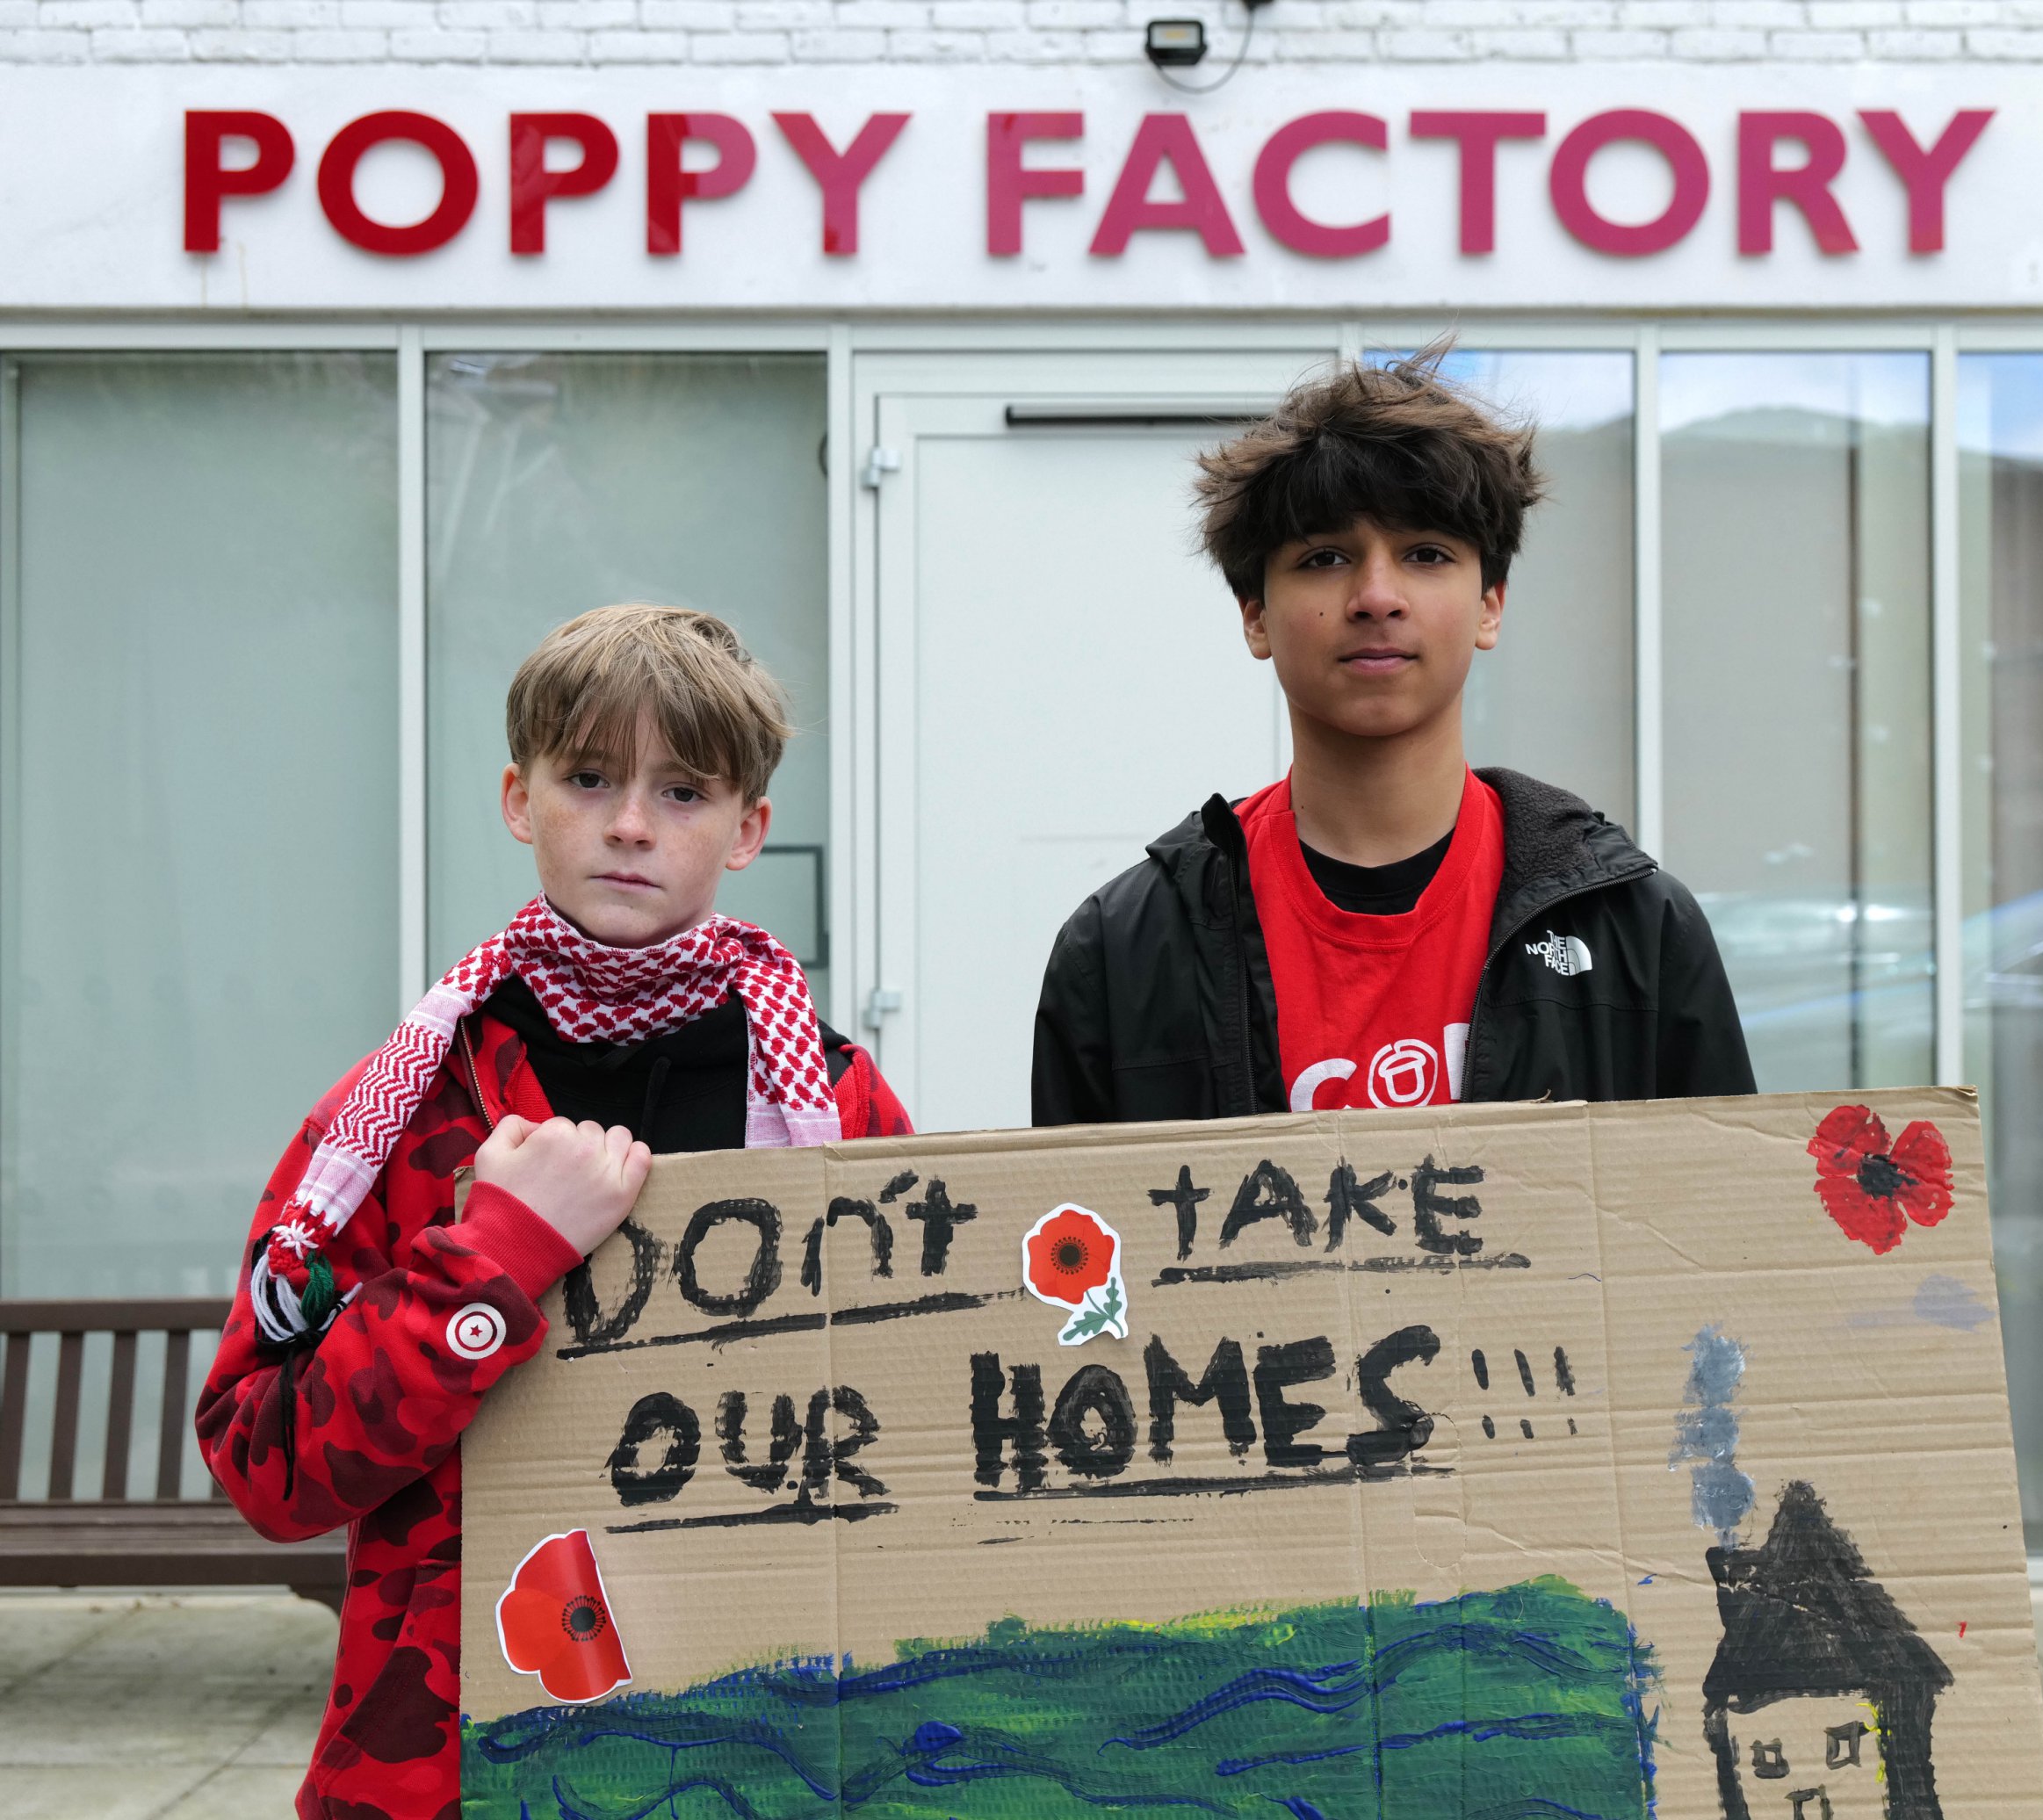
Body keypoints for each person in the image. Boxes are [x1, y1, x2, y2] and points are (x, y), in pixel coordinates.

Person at [197, 604, 909, 1820]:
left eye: (683, 791)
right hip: (444, 1761)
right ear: (519, 799)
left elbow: (916, 1425)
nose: (630, 824)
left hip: (756, 1748)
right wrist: (493, 1260)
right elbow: (268, 1466)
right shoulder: (395, 1114)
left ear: (749, 828)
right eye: (588, 778)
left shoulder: (832, 1107)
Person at [1031, 353, 1754, 1126]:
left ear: (1489, 606)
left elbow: (1718, 1199)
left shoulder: (1638, 930)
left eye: (1426, 555)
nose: (1377, 597)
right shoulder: (1121, 951)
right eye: (1325, 558)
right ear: (1256, 616)